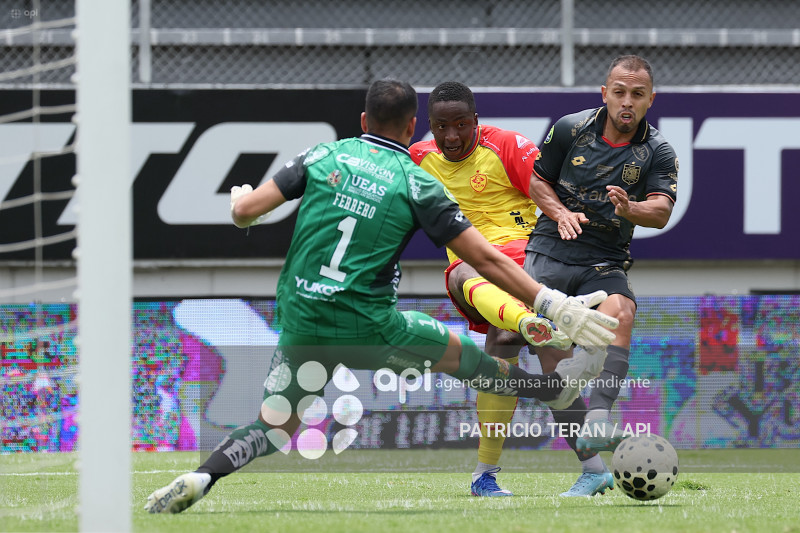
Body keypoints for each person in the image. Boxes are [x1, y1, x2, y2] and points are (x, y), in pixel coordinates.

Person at [144, 79, 618, 514]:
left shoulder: (320, 156)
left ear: (364, 121)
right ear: (415, 127)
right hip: (370, 327)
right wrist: (553, 303)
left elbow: (246, 212)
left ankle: (204, 475)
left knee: (275, 426)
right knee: (462, 356)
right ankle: (552, 388)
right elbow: (490, 261)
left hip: (302, 324)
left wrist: (238, 199)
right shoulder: (416, 181)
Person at [524, 55, 678, 497]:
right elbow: (537, 181)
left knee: (622, 313)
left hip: (603, 258)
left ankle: (601, 414)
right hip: (550, 248)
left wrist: (631, 209)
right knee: (555, 368)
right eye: (619, 91)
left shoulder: (657, 151)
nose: (626, 102)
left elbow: (662, 211)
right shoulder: (570, 129)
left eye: (637, 94)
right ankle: (592, 469)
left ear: (650, 99)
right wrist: (559, 211)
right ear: (604, 92)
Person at [410, 81, 572, 498]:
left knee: (514, 352)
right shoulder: (416, 162)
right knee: (464, 272)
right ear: (429, 126)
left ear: (475, 121)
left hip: (529, 264)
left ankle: (588, 466)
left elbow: (549, 194)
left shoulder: (507, 146)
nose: (451, 136)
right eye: (441, 127)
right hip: (476, 270)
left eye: (461, 125)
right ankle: (532, 321)